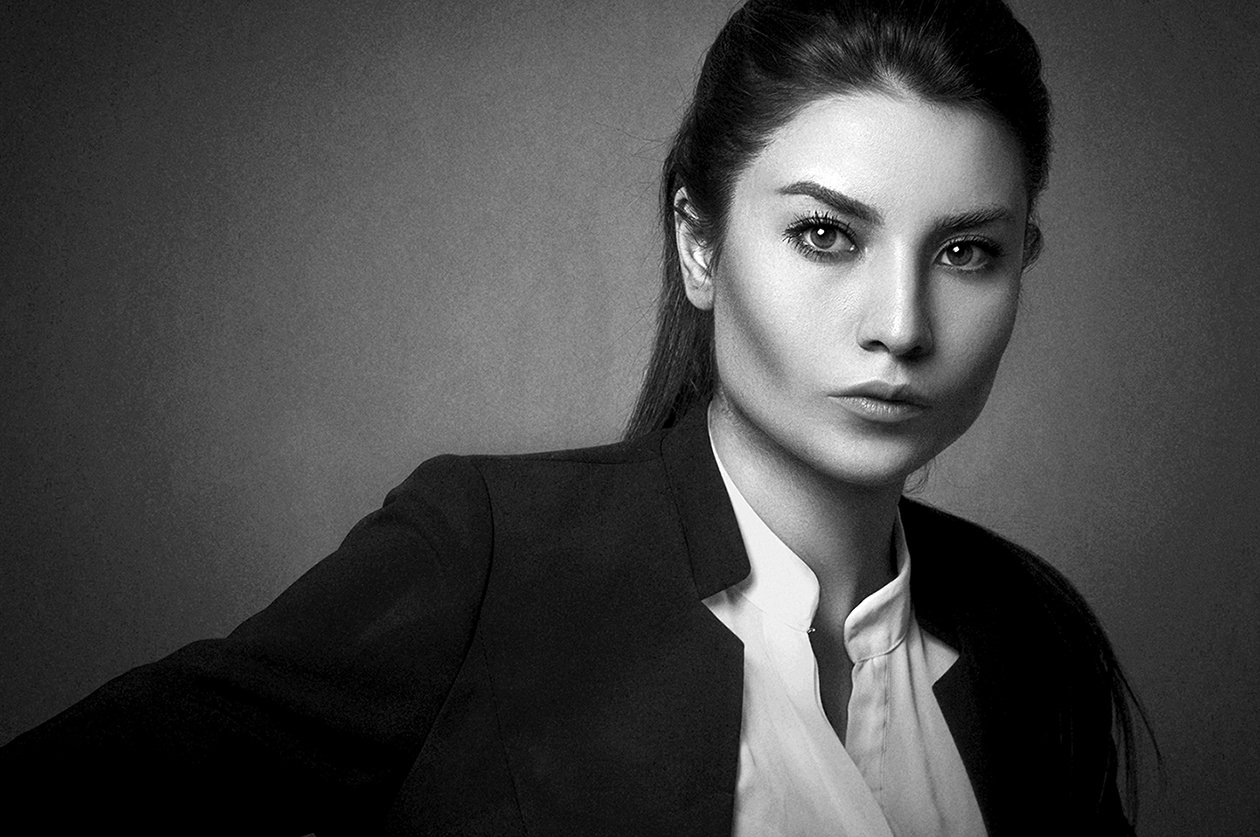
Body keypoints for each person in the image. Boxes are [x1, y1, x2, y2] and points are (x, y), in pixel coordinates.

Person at [0, 0, 1149, 834]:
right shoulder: (489, 557)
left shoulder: (1032, 638)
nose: (900, 324)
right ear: (700, 246)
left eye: (966, 252)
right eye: (824, 234)